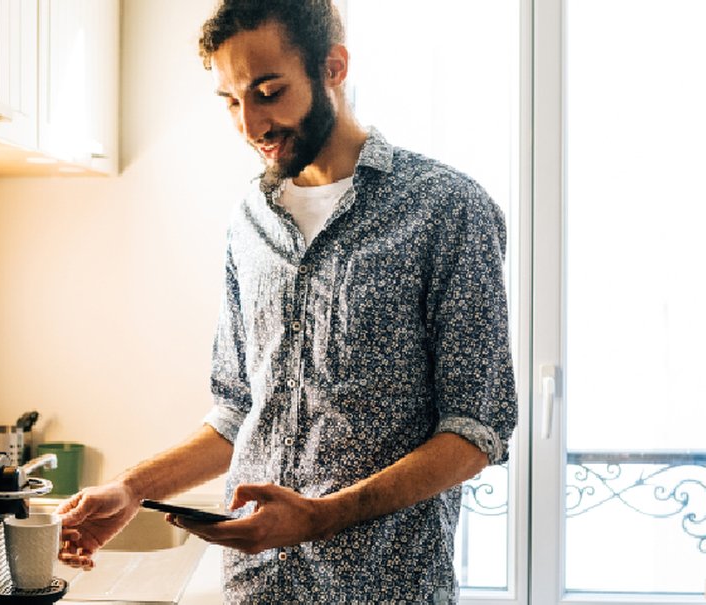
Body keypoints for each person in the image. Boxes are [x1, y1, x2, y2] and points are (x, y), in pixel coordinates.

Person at [56, 0, 517, 601]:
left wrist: (319, 517)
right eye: (230, 101)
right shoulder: (249, 221)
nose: (250, 125)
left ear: (334, 67)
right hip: (255, 586)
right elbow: (238, 410)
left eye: (268, 92)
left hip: (383, 588)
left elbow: (475, 430)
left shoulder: (448, 211)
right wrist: (131, 487)